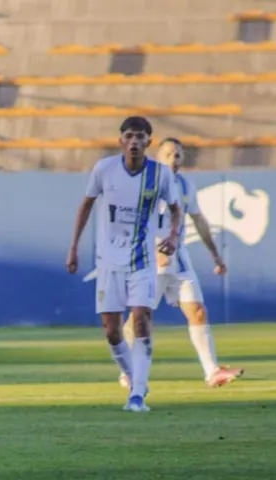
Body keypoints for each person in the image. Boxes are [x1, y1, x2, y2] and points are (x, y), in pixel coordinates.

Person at [66, 116, 182, 412]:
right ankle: (134, 378)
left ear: (148, 142)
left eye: (140, 137)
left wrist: (173, 235)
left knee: (141, 319)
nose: (134, 142)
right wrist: (74, 247)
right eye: (129, 136)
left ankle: (138, 394)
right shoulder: (104, 169)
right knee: (111, 331)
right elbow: (86, 205)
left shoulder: (160, 174)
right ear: (120, 140)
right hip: (108, 261)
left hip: (142, 260)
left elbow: (176, 209)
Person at [120, 138, 244, 388]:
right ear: (158, 158)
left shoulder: (186, 185)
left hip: (179, 258)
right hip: (152, 258)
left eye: (177, 155)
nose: (173, 160)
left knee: (198, 311)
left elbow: (198, 220)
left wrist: (215, 254)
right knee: (141, 316)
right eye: (168, 154)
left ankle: (211, 371)